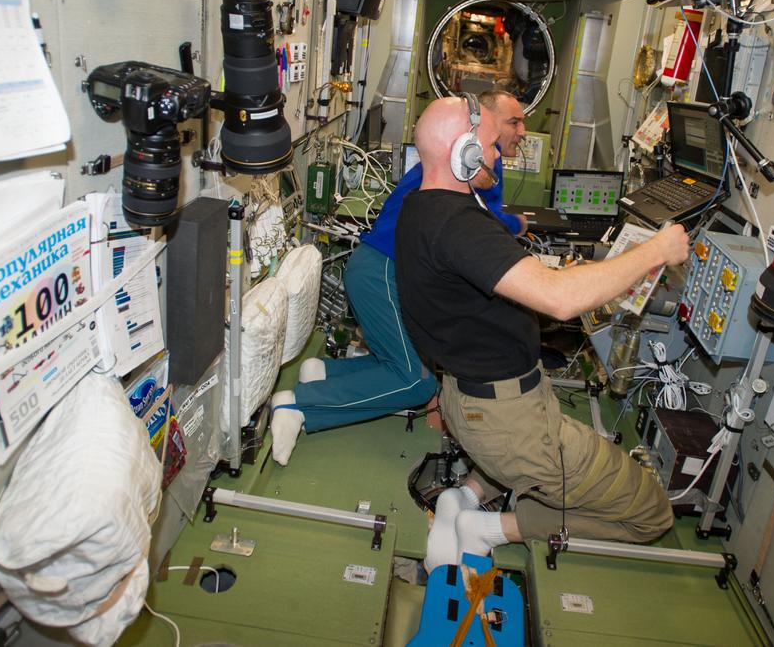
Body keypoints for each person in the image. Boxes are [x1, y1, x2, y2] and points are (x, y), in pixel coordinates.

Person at [393, 96, 691, 572]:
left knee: (520, 453)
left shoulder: (418, 208)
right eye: (489, 146)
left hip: (470, 401)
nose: (497, 156)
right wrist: (656, 250)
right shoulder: (457, 224)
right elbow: (560, 300)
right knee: (652, 512)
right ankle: (490, 529)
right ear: (463, 151)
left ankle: (464, 497)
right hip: (507, 422)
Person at [269, 90, 531, 465]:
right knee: (417, 382)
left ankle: (323, 373)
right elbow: (483, 226)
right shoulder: (465, 165)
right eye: (512, 122)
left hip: (383, 267)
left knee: (407, 362)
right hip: (382, 270)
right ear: (477, 130)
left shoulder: (475, 164)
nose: (522, 131)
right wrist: (516, 225)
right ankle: (298, 406)